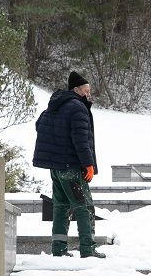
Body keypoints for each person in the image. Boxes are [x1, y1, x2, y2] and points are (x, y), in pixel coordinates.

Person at [32, 71, 106, 258]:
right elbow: (81, 140)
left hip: (56, 169)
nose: (89, 94)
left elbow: (40, 125)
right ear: (76, 89)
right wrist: (88, 164)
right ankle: (88, 249)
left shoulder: (54, 106)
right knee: (84, 206)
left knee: (61, 207)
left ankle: (58, 249)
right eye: (86, 90)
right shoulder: (77, 108)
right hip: (71, 168)